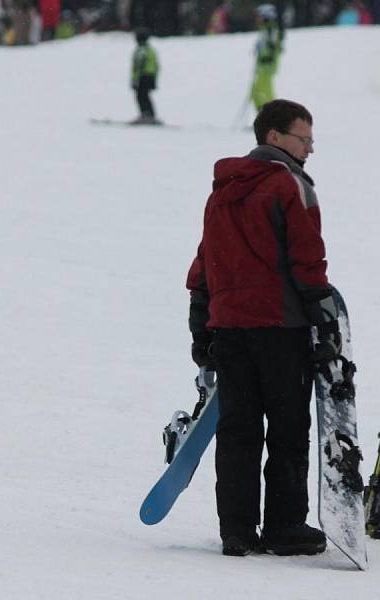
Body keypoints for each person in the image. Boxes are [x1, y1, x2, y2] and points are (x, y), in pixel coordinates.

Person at [186, 99, 335, 557]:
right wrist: (324, 319)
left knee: (238, 430)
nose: (309, 148)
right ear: (275, 136)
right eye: (303, 138)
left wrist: (200, 321)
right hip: (280, 326)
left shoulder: (223, 188)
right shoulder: (290, 186)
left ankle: (237, 529)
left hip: (230, 326)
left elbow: (206, 258)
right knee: (288, 429)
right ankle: (285, 525)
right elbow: (306, 258)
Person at [251, 3, 283, 112]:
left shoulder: (271, 30)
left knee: (265, 92)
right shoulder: (264, 30)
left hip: (267, 66)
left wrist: (267, 57)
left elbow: (275, 48)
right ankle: (262, 118)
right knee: (255, 92)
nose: (257, 18)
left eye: (259, 16)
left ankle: (271, 119)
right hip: (261, 66)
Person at [130, 28, 159, 124]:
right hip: (150, 76)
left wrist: (135, 79)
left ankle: (145, 115)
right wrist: (155, 79)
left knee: (141, 96)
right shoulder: (150, 50)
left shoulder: (141, 50)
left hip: (143, 76)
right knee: (146, 96)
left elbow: (138, 66)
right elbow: (156, 66)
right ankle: (150, 115)